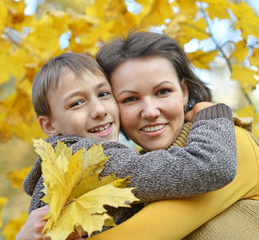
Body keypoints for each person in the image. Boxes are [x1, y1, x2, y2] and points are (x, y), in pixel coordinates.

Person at [16, 52, 237, 240]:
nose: (99, 110)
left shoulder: (59, 165)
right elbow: (211, 165)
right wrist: (211, 115)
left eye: (103, 94)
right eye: (77, 103)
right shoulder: (85, 158)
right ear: (49, 125)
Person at [83, 31, 259, 239]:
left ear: (184, 92)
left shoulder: (229, 144)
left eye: (162, 91)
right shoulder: (135, 172)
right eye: (130, 99)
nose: (150, 112)